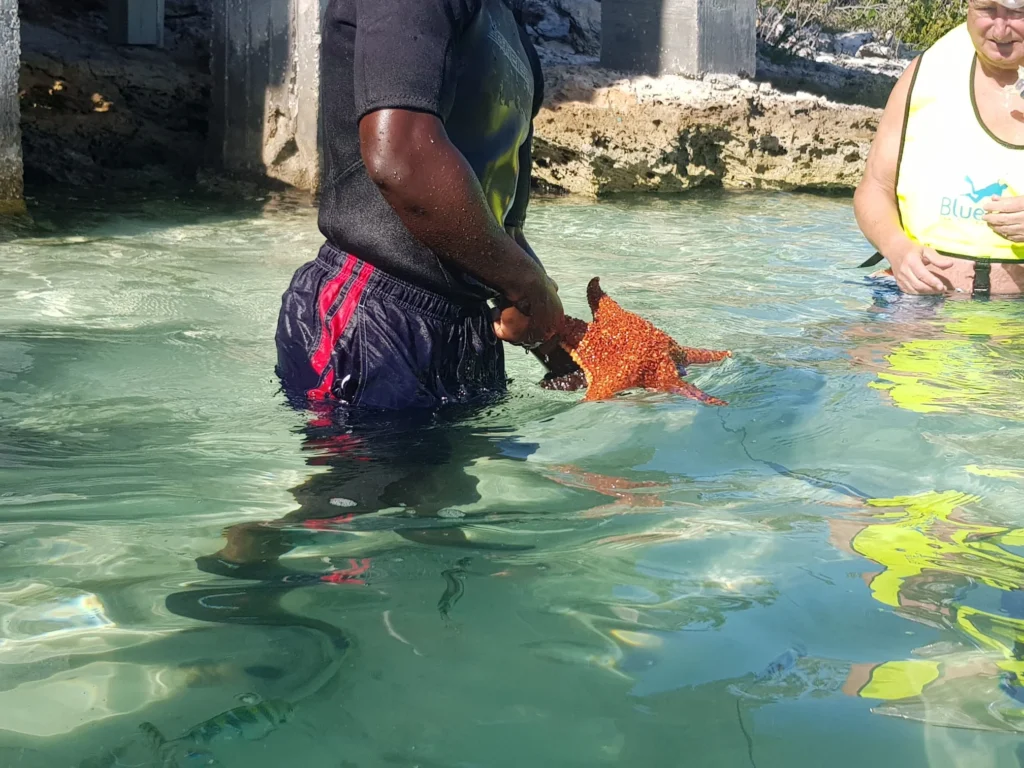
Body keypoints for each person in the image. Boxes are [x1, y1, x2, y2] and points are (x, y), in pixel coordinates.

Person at [274, 0, 577, 412]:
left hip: (469, 326)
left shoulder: (511, 27)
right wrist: (527, 286)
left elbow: (503, 224)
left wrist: (562, 350)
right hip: (372, 311)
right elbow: (401, 160)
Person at [854, 0, 1024, 297]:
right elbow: (874, 188)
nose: (1000, 29)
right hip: (917, 299)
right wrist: (896, 248)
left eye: (1017, 12)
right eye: (987, 10)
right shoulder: (928, 71)